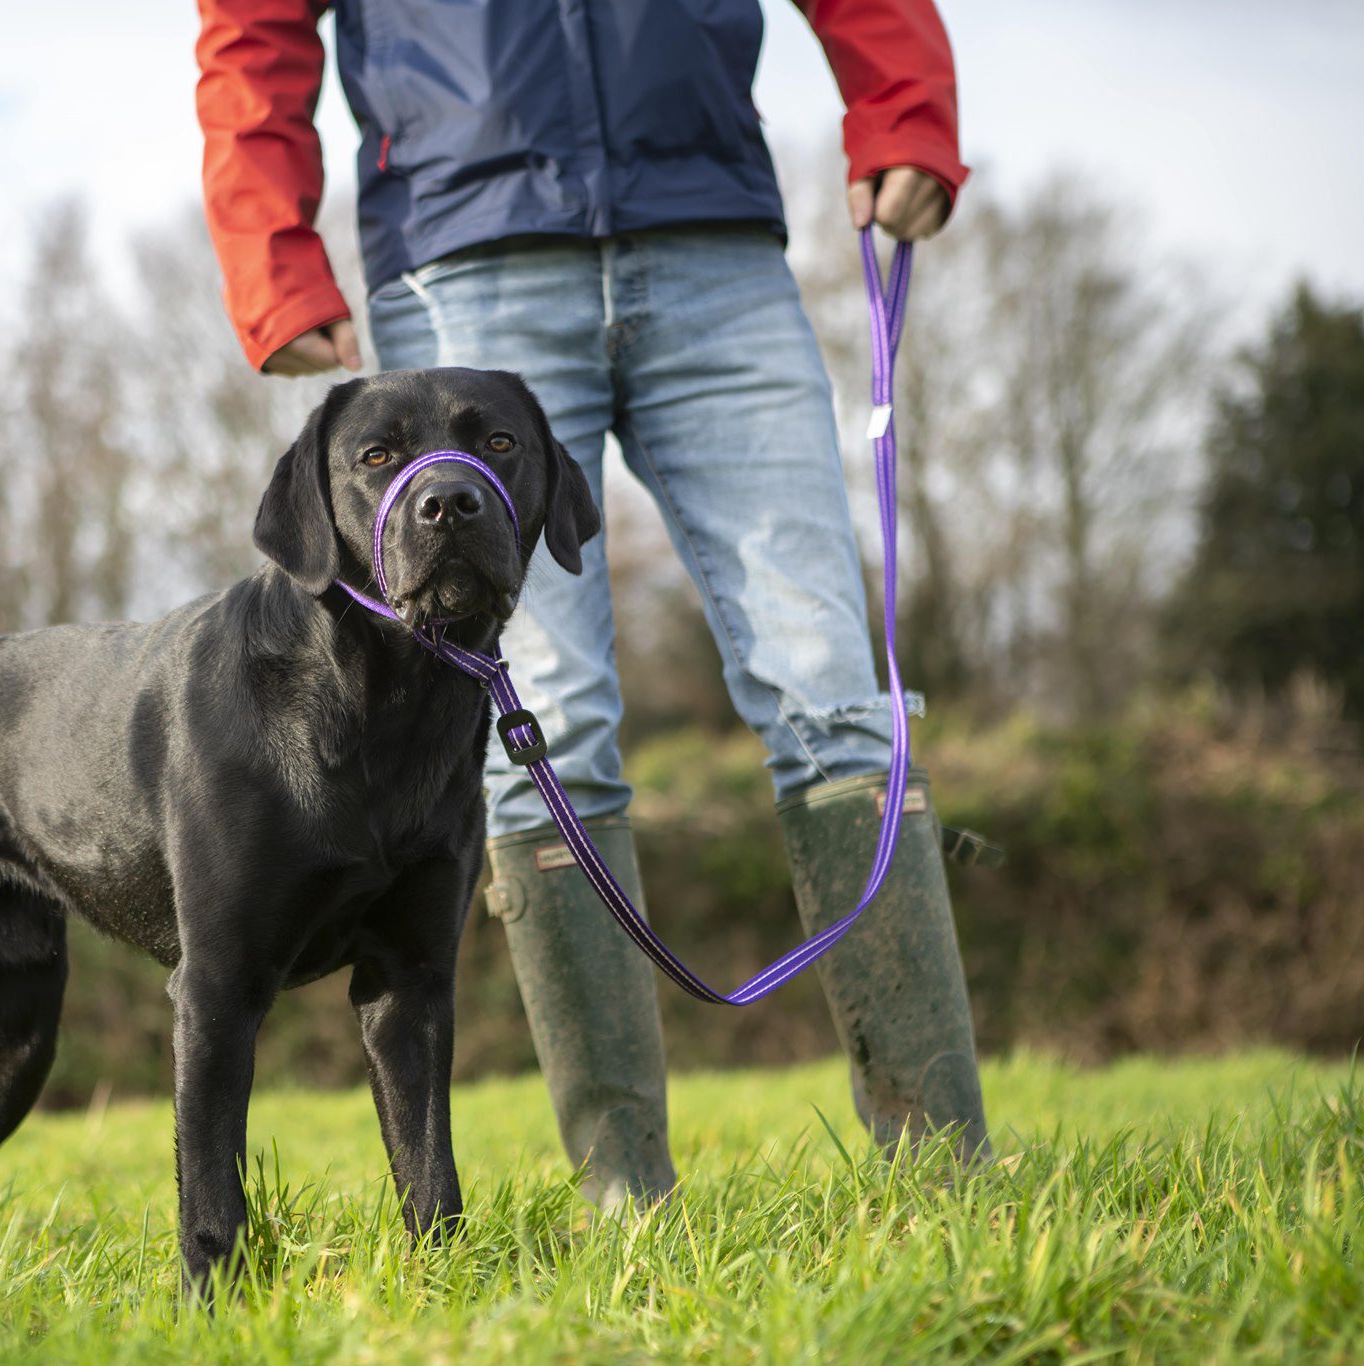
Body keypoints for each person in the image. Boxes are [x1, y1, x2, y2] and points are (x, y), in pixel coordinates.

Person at [195, 0, 987, 1207]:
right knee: (542, 729)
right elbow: (249, 20)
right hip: (464, 246)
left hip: (711, 234)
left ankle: (947, 1179)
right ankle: (627, 1202)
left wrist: (903, 106)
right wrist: (267, 248)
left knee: (834, 689)